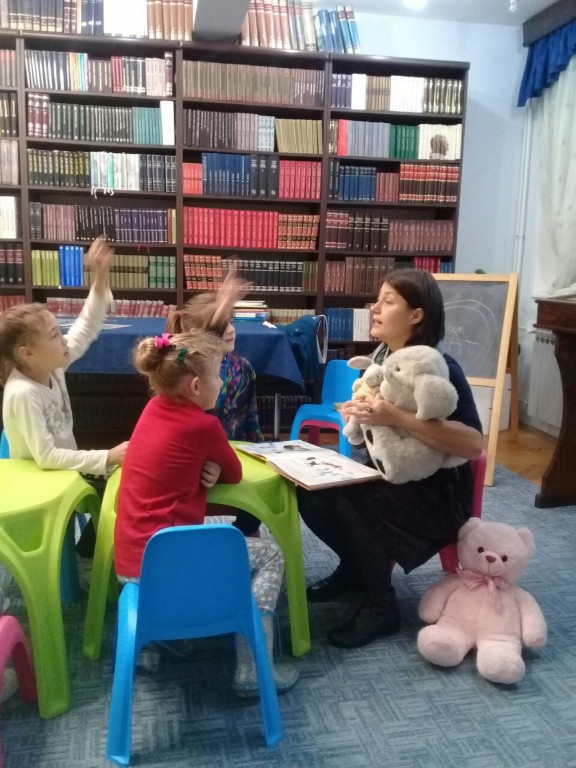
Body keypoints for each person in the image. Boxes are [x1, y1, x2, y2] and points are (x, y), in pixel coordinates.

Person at [298, 269, 483, 649]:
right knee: (310, 491)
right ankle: (355, 570)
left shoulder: (439, 366)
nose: (375, 308)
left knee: (354, 499)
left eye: (388, 301)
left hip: (437, 494)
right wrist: (357, 412)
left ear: (416, 315)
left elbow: (472, 444)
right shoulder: (382, 359)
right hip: (390, 474)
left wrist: (395, 416)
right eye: (377, 299)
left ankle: (381, 606)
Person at [114, 329, 298, 696]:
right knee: (270, 555)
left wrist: (205, 466)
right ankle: (252, 670)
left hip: (132, 566)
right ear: (197, 386)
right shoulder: (204, 424)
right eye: (218, 375)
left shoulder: (152, 409)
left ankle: (163, 641)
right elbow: (235, 472)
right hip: (168, 570)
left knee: (216, 531)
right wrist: (214, 465)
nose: (222, 382)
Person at [0, 236, 129, 555]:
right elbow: (46, 458)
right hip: (42, 480)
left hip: (60, 471)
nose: (64, 341)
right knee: (117, 491)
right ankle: (89, 555)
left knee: (122, 486)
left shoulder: (52, 367)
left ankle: (89, 549)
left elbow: (85, 328)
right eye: (55, 335)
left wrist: (99, 278)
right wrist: (106, 457)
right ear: (27, 354)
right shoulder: (23, 393)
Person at [166, 274, 263, 536]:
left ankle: (245, 533)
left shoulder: (243, 368)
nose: (229, 329)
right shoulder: (181, 375)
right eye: (221, 324)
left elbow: (251, 421)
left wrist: (263, 456)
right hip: (193, 464)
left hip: (233, 459)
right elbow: (186, 431)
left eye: (231, 321)